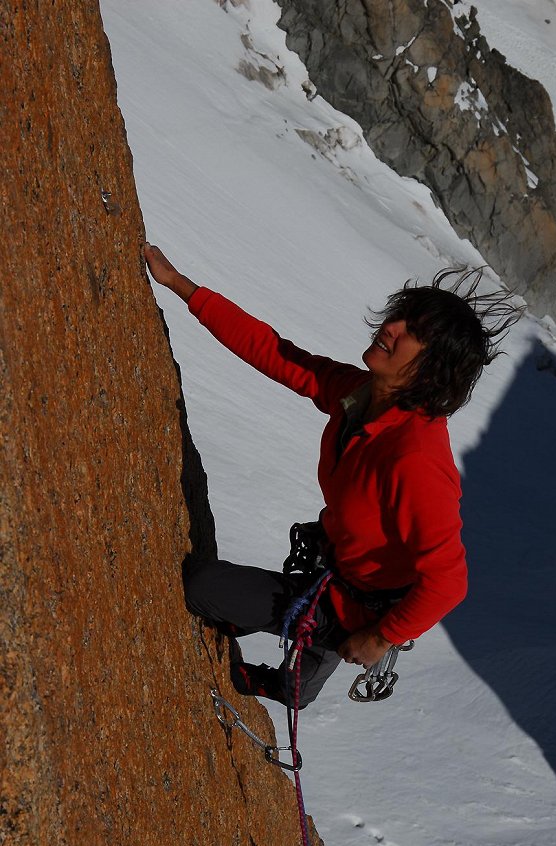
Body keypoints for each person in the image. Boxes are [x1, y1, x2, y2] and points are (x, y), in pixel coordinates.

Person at [144, 243, 521, 708]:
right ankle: (302, 657)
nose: (390, 327)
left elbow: (448, 580)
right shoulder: (362, 395)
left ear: (432, 368)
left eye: (410, 332)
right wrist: (181, 286)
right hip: (329, 570)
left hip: (353, 609)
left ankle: (306, 661)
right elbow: (279, 355)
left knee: (203, 588)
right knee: (230, 600)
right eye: (399, 317)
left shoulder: (415, 457)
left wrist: (379, 638)